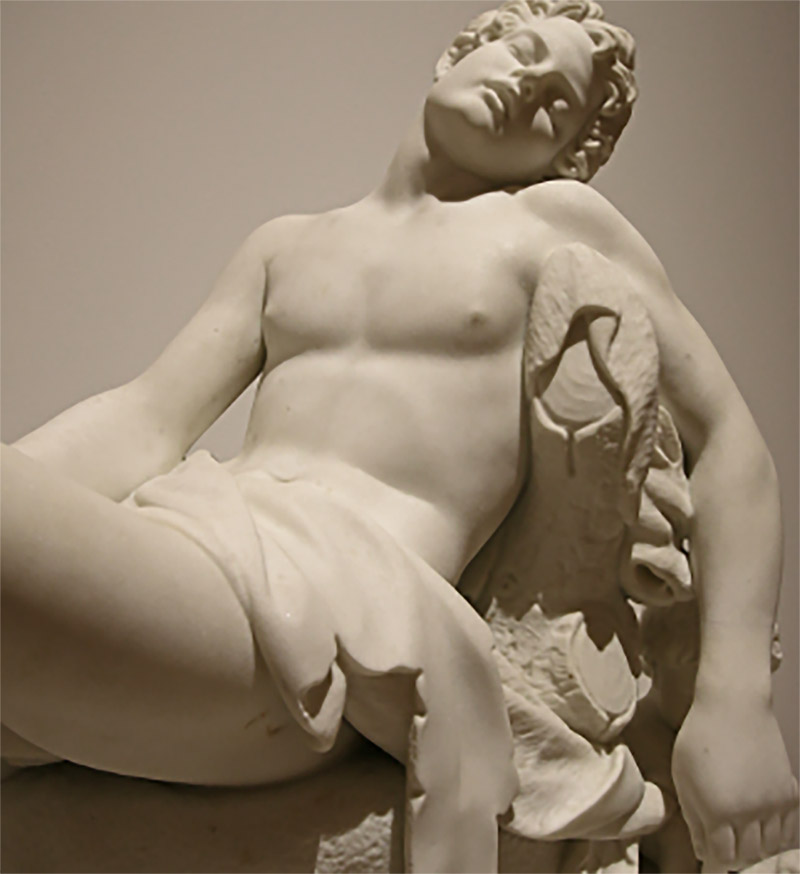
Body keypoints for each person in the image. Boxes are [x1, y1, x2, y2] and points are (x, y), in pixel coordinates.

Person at [2, 0, 797, 871]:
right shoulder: (285, 245)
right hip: (200, 536)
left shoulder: (555, 222)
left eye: (556, 105)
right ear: (459, 54)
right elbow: (146, 416)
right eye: (523, 52)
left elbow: (728, 444)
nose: (528, 83)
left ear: (569, 156)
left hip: (344, 616)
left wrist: (735, 703)